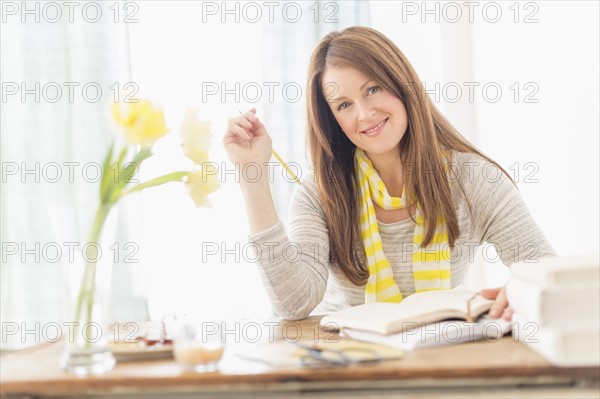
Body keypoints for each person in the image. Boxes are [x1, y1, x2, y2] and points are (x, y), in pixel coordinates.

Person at [223, 26, 555, 321]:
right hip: (347, 365)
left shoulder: (475, 180)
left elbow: (545, 270)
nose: (365, 114)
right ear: (332, 119)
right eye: (344, 105)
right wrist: (252, 176)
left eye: (373, 89)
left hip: (437, 358)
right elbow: (294, 303)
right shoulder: (319, 192)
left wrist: (521, 290)